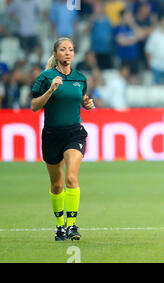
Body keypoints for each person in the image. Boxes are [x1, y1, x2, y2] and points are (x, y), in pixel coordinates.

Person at [31, 37, 95, 241]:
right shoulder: (46, 77)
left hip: (74, 132)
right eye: (63, 49)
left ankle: (72, 225)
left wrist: (86, 103)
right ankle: (60, 226)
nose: (67, 53)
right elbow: (34, 106)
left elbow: (80, 99)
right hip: (51, 135)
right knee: (57, 185)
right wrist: (50, 90)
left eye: (70, 50)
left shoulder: (80, 78)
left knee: (71, 178)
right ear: (55, 54)